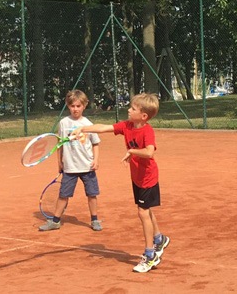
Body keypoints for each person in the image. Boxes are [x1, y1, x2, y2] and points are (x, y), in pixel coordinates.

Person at [71, 93, 170, 273]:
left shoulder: (147, 131)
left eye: (133, 109)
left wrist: (132, 151)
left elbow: (149, 153)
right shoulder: (127, 125)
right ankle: (159, 239)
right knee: (146, 210)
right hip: (137, 177)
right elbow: (103, 128)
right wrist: (83, 129)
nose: (129, 110)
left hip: (148, 177)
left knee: (143, 212)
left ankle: (150, 255)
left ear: (143, 116)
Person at [39, 89, 103, 232]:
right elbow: (59, 143)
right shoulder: (63, 123)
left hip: (87, 166)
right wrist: (59, 162)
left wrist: (96, 160)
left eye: (78, 106)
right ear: (68, 106)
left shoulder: (88, 124)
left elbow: (95, 143)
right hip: (69, 167)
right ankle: (55, 221)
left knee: (92, 194)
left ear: (84, 106)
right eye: (72, 106)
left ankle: (95, 220)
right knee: (63, 195)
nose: (75, 109)